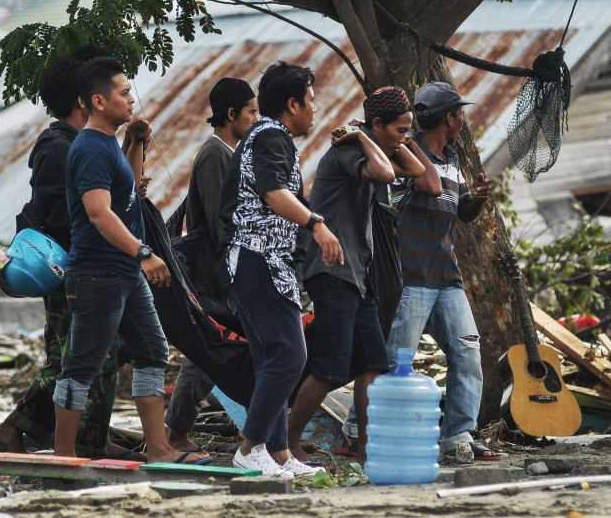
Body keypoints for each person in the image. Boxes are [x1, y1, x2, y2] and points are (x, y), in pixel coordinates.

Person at [52, 56, 208, 464]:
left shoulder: (107, 144)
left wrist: (136, 143)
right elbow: (99, 212)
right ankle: (62, 456)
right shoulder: (89, 148)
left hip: (122, 272)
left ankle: (157, 448)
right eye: (124, 93)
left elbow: (127, 197)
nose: (132, 99)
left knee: (153, 351)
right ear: (99, 101)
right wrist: (144, 253)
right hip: (99, 271)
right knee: (83, 364)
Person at [0, 47, 141, 461]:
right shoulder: (63, 147)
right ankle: (25, 430)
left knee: (93, 357)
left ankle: (89, 438)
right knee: (78, 360)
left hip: (89, 268)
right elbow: (72, 216)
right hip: (73, 271)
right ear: (85, 99)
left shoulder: (80, 143)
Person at [286, 87, 438, 465]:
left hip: (360, 276)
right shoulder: (347, 152)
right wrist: (361, 137)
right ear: (375, 125)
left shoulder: (371, 146)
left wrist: (384, 138)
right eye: (400, 130)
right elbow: (386, 172)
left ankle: (367, 448)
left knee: (374, 361)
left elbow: (418, 172)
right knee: (331, 366)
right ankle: (286, 441)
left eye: (408, 131)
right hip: (333, 271)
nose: (405, 138)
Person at [218, 61, 342, 478]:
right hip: (258, 260)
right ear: (293, 103)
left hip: (258, 262)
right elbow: (273, 193)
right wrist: (316, 223)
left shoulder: (269, 136)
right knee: (290, 354)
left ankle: (278, 455)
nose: (314, 109)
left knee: (270, 357)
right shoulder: (272, 136)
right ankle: (250, 448)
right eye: (311, 100)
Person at [388, 81, 496, 460]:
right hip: (412, 274)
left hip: (447, 275)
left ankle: (457, 437)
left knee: (467, 351)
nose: (463, 120)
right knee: (395, 358)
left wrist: (476, 200)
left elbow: (459, 211)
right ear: (449, 118)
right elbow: (427, 188)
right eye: (460, 113)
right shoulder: (405, 155)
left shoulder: (452, 159)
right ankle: (360, 431)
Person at [165, 78, 259, 452]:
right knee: (209, 355)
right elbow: (224, 225)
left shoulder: (230, 153)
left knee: (228, 351)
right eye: (251, 112)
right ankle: (175, 431)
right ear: (231, 114)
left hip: (226, 272)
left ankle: (264, 432)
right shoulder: (214, 154)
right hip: (216, 275)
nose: (256, 118)